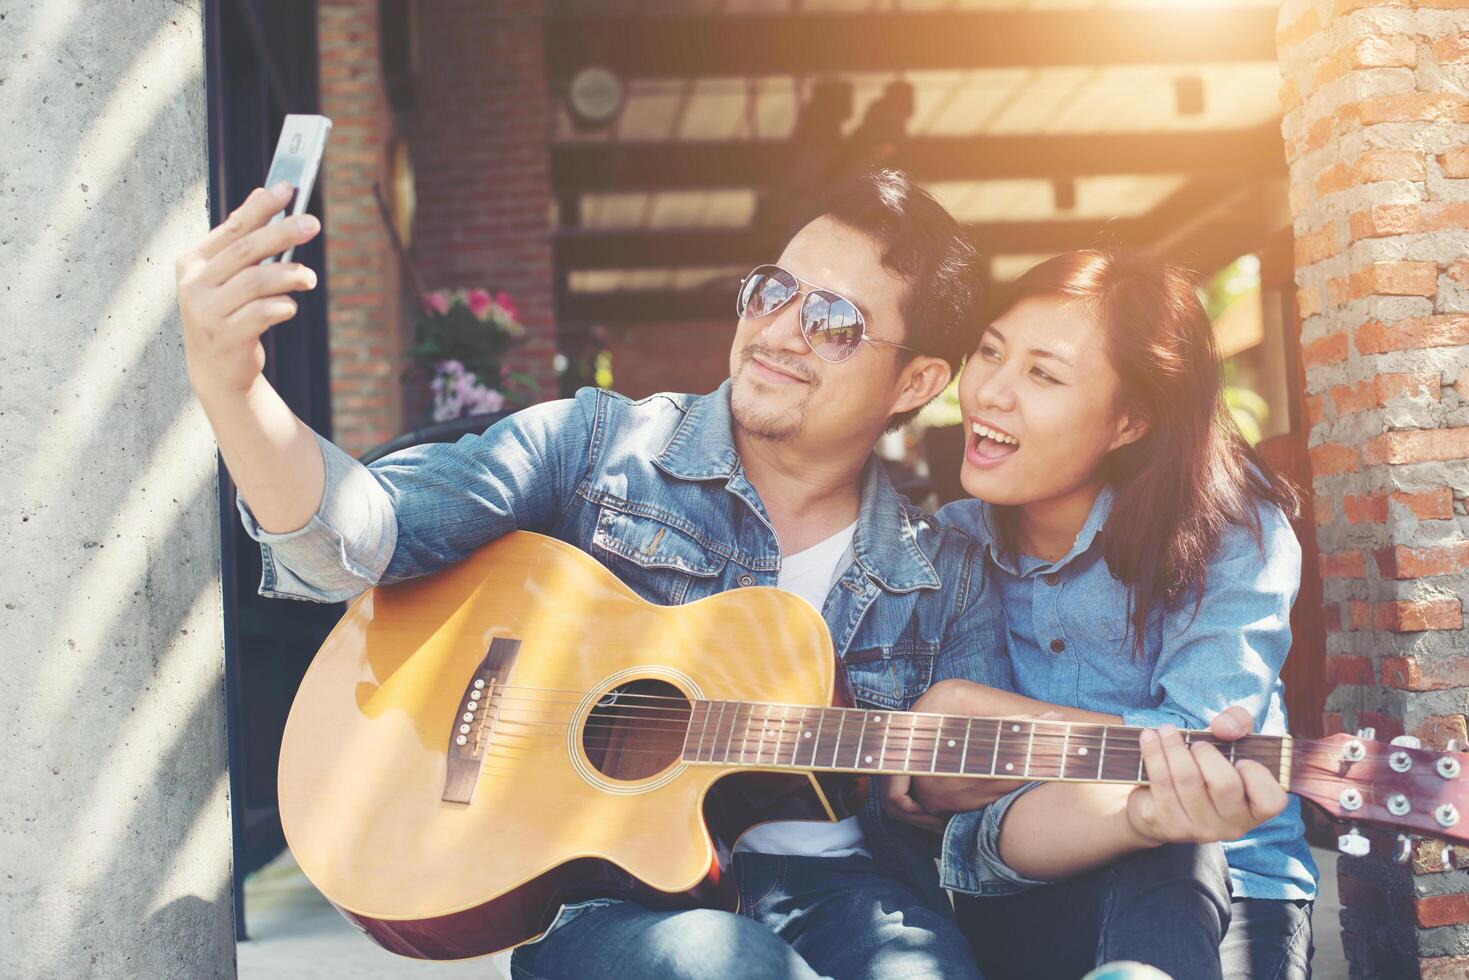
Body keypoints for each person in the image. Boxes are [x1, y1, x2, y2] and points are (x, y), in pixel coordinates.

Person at [176, 172, 1279, 979]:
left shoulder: (943, 566)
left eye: (836, 320)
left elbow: (964, 834)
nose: (780, 330)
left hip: (857, 903)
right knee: (720, 963)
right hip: (614, 908)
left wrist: (1140, 790)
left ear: (914, 382)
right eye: (772, 290)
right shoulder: (597, 446)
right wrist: (237, 394)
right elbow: (359, 534)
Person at [883, 249, 1317, 980]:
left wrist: (977, 713)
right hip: (1031, 874)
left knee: (1174, 837)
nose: (989, 391)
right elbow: (940, 786)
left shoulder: (1227, 531)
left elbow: (1205, 758)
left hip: (1231, 887)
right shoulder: (949, 544)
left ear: (1127, 422)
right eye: (990, 352)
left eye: (1042, 374)